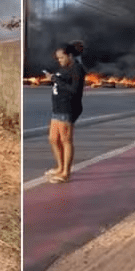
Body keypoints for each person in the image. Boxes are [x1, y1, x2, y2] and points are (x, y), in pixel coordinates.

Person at [43, 43, 85, 183]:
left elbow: (74, 90)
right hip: (57, 108)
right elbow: (60, 83)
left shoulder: (77, 69)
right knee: (53, 139)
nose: (59, 60)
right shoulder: (64, 68)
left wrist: (55, 79)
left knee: (66, 140)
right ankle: (60, 167)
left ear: (70, 56)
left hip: (68, 108)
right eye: (58, 58)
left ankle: (66, 172)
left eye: (61, 58)